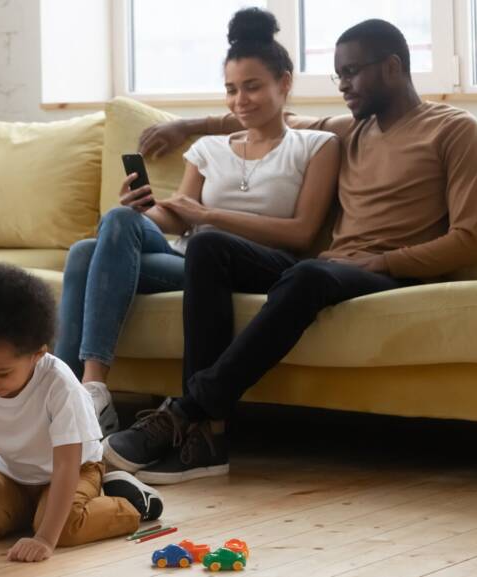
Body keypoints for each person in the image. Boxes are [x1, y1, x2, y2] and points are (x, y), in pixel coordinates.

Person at [104, 18, 477, 485]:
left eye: (352, 72)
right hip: (331, 268)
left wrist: (383, 261)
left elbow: (470, 238)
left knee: (309, 275)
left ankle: (187, 409)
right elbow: (264, 118)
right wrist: (186, 125)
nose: (343, 86)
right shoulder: (348, 129)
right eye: (338, 75)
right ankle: (208, 439)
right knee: (208, 245)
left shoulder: (451, 129)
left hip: (391, 271)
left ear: (392, 67)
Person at [56, 6, 340, 436]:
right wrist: (142, 208)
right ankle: (84, 392)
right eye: (230, 89)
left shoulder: (317, 145)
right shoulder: (211, 147)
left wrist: (208, 215)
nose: (239, 101)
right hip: (188, 260)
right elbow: (175, 216)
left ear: (284, 83)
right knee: (103, 234)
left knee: (85, 254)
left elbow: (301, 233)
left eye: (251, 87)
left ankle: (72, 400)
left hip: (252, 267)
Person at [0, 263, 164, 563]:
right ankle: (23, 506)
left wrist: (45, 538)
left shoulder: (59, 385)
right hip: (12, 471)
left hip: (74, 471)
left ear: (38, 354)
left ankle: (129, 501)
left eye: (1, 372)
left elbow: (66, 466)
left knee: (64, 531)